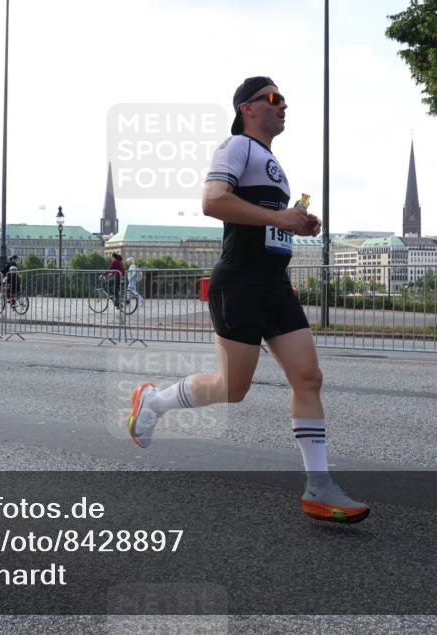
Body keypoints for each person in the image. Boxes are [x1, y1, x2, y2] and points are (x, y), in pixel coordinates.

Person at [126, 77, 369, 524]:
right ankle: (154, 401)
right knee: (231, 389)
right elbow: (213, 201)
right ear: (247, 108)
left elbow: (264, 222)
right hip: (239, 282)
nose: (283, 106)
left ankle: (319, 486)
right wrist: (280, 216)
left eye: (284, 100)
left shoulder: (271, 160)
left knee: (309, 377)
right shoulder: (236, 146)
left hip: (275, 285)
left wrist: (296, 224)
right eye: (274, 99)